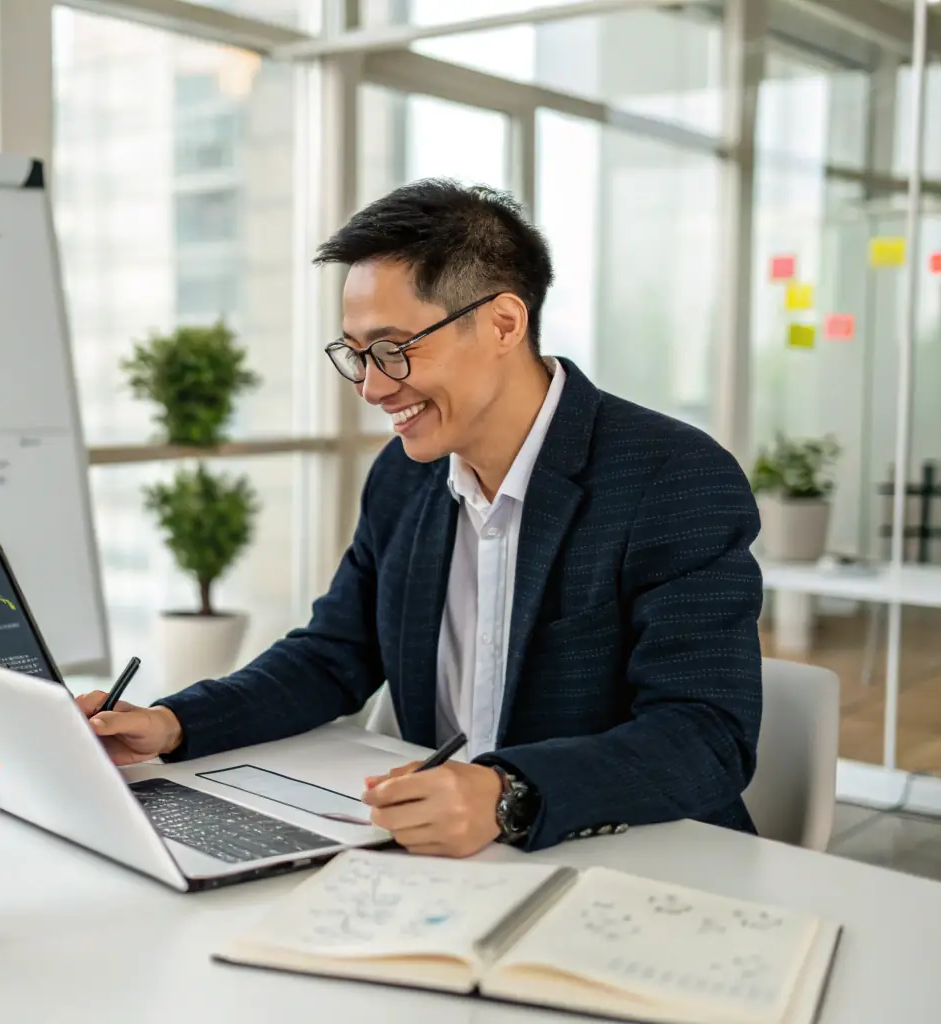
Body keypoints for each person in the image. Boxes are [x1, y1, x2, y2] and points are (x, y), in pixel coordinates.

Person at [76, 178, 763, 856]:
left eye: (393, 348)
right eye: (355, 354)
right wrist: (171, 723)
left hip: (634, 856)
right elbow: (332, 655)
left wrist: (503, 792)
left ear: (502, 323)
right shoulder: (405, 476)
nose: (372, 386)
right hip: (443, 860)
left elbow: (704, 734)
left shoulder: (672, 478)